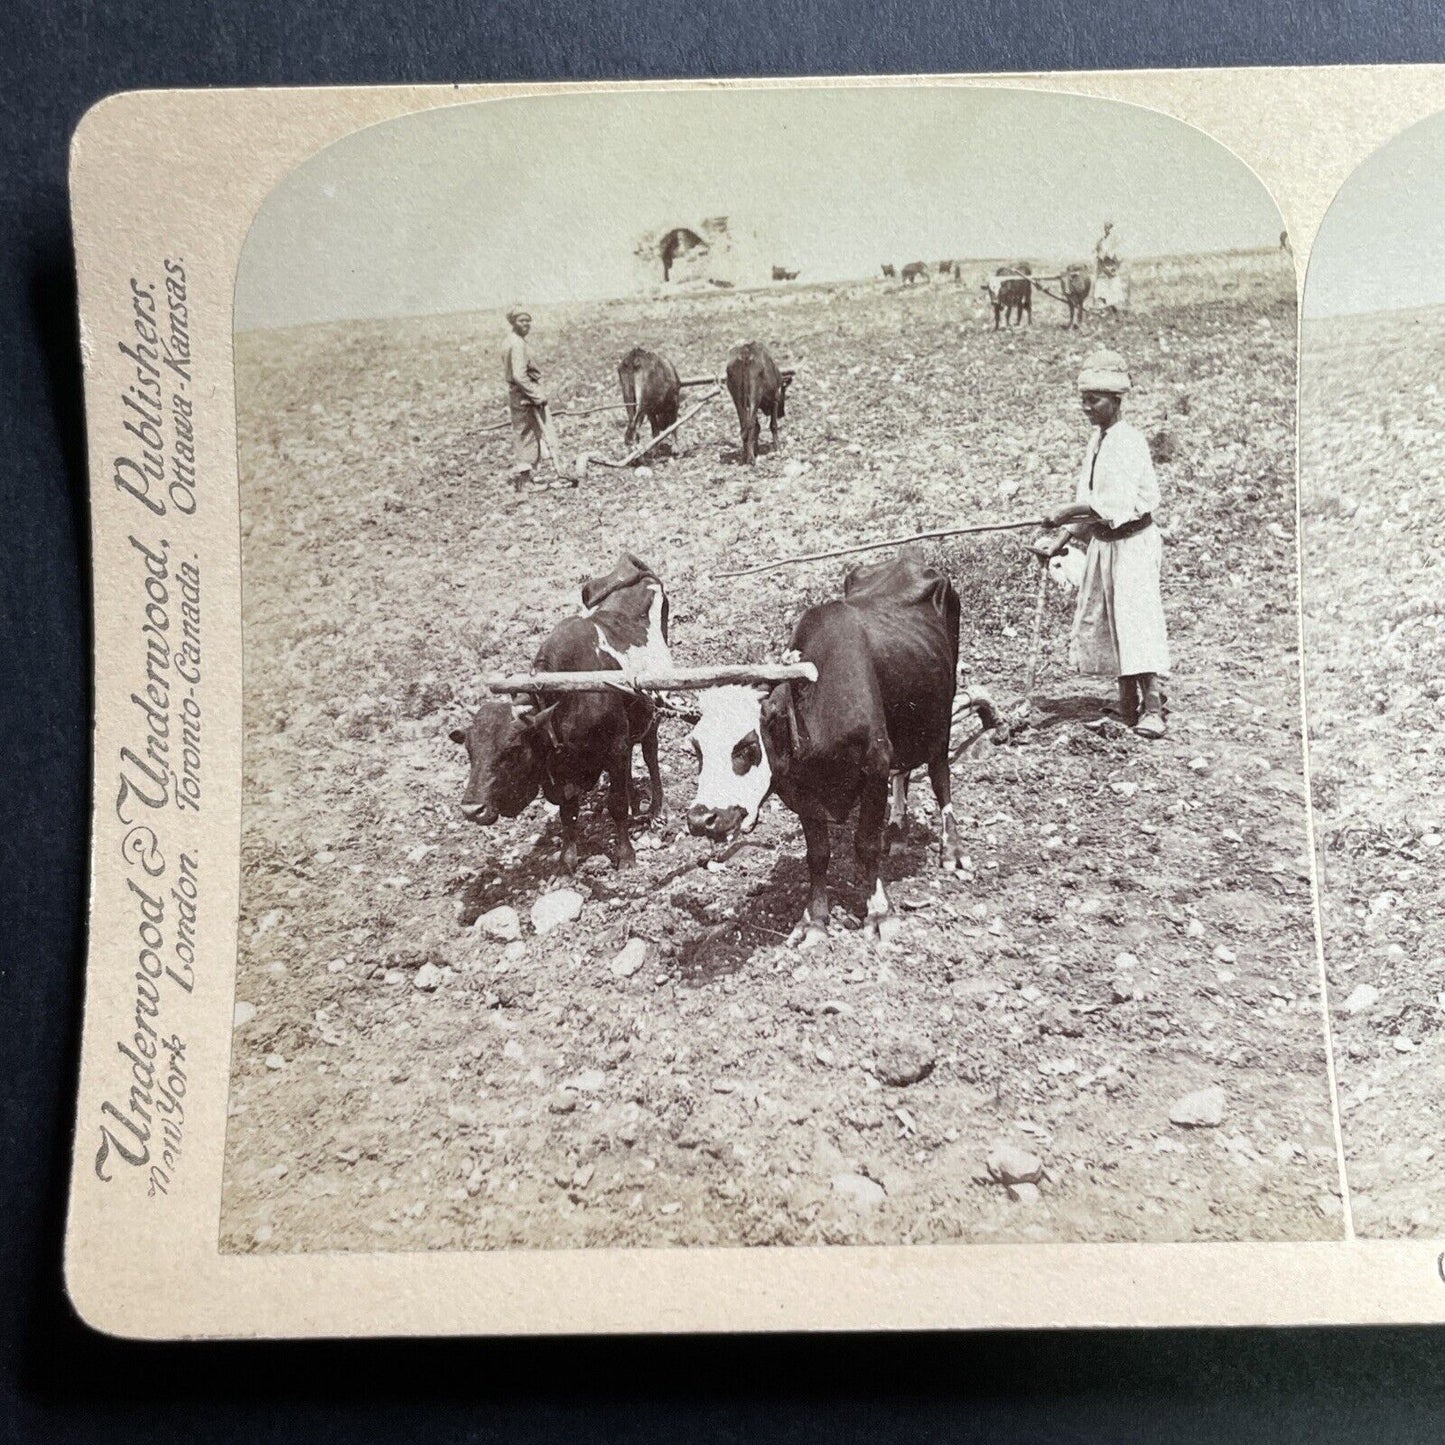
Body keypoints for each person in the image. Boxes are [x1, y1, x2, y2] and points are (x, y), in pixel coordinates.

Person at [1040, 348, 1170, 738]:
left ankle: (1153, 707)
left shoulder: (1128, 441)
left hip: (1131, 544)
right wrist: (1060, 539)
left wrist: (1064, 512)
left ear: (1115, 401)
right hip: (1106, 544)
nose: (1086, 407)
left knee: (1135, 621)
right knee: (1111, 621)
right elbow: (1091, 503)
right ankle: (1126, 702)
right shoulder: (1098, 440)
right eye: (1083, 399)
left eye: (1093, 400)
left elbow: (1110, 505)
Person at [502, 306, 573, 489]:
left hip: (521, 393)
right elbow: (519, 374)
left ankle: (529, 477)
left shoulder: (512, 341)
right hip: (524, 395)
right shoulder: (517, 344)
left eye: (528, 321)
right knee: (527, 434)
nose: (526, 324)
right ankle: (527, 481)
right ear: (513, 322)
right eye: (521, 321)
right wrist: (536, 396)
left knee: (527, 433)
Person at [1093, 219, 1127, 314]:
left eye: (1109, 228)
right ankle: (1102, 309)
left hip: (1112, 268)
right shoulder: (1101, 241)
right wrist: (1098, 255)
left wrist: (1110, 256)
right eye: (1106, 228)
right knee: (1101, 288)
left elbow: (1119, 255)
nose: (1107, 229)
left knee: (1113, 288)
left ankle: (1115, 309)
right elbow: (1096, 251)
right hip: (1102, 269)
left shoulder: (1115, 240)